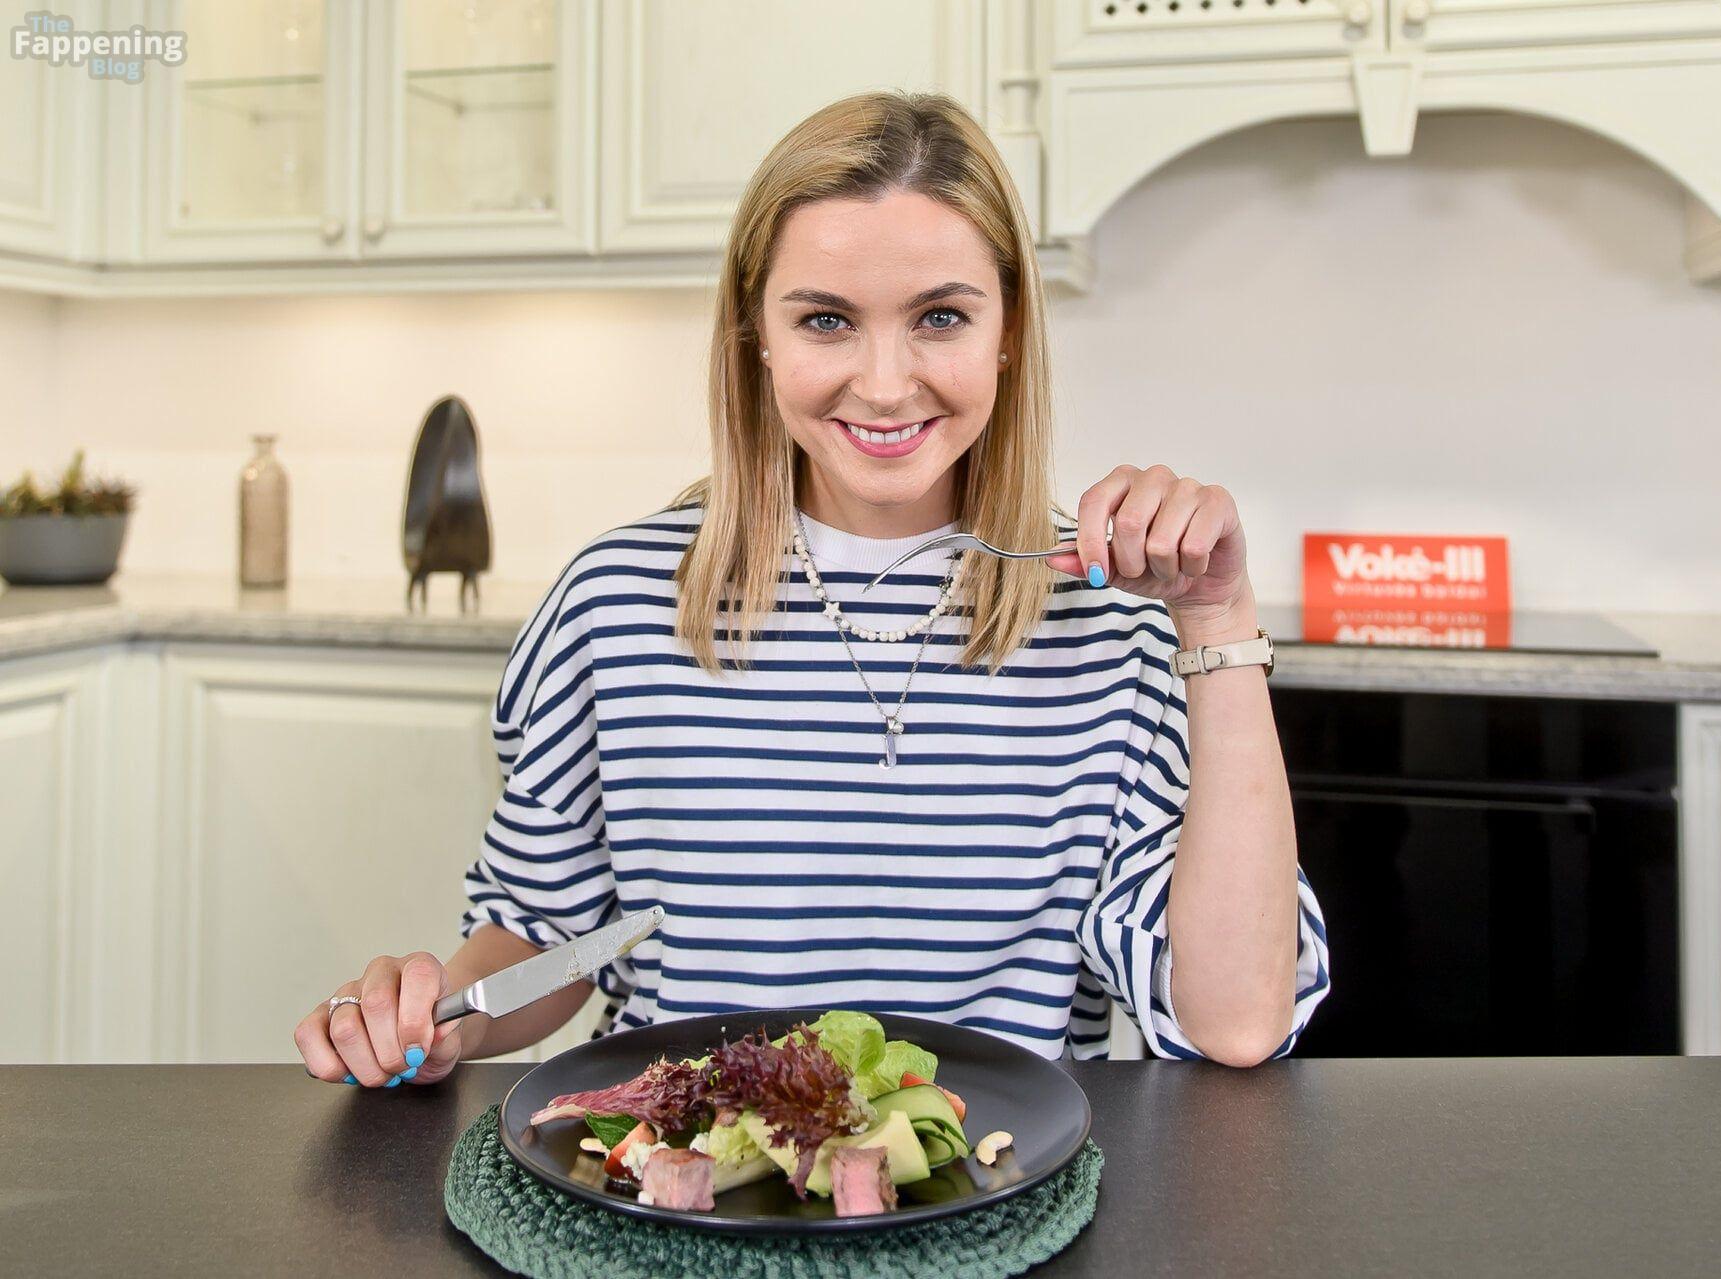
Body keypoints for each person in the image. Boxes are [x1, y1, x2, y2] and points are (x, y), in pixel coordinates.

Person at [294, 89, 1330, 1089]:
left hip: (998, 1192)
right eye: (827, 320)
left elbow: (1236, 1021)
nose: (883, 383)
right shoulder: (616, 602)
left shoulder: (1115, 626)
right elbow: (547, 940)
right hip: (674, 1190)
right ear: (757, 333)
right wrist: (434, 1015)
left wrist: (1216, 616)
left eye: (940, 316)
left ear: (1009, 328)